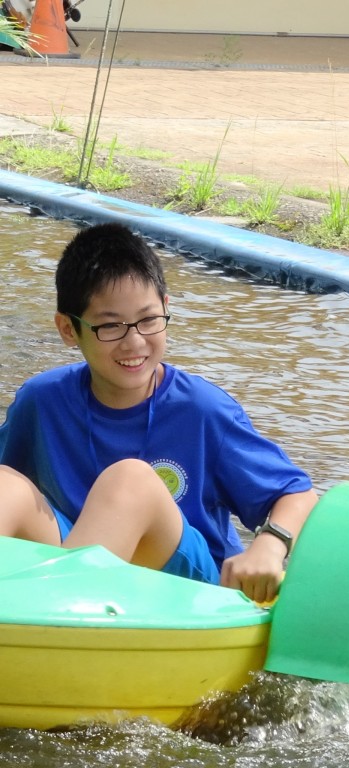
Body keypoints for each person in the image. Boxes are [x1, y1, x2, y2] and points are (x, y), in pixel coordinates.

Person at [0, 222, 318, 603]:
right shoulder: (42, 401)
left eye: (148, 320)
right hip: (78, 562)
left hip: (184, 588)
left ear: (166, 309)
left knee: (132, 480)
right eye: (110, 326)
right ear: (69, 330)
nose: (134, 342)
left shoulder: (202, 411)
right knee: (5, 484)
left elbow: (298, 493)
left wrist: (270, 544)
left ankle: (52, 627)